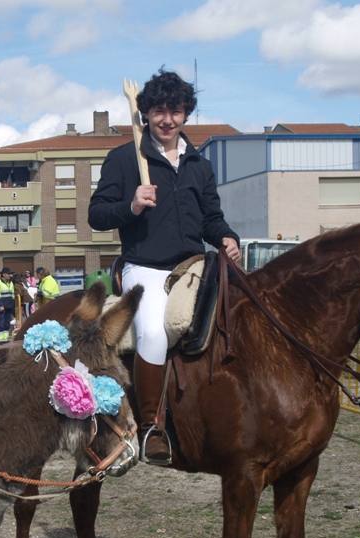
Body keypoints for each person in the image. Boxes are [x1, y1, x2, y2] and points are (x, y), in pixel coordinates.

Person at [89, 68, 240, 465]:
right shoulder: (124, 160)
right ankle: (151, 426)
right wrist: (131, 205)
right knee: (154, 334)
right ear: (146, 114)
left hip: (193, 264)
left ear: (186, 114)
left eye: (175, 111)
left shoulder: (198, 164)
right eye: (159, 111)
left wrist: (227, 237)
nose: (167, 119)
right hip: (145, 267)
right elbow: (97, 215)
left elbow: (211, 217)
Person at [0, 267, 16, 343]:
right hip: (1, 307)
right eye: (9, 274)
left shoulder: (10, 283)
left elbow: (12, 295)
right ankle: (0, 339)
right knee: (1, 322)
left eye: (10, 274)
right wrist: (0, 305)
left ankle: (5, 339)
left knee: (7, 323)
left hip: (9, 306)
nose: (10, 275)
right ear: (4, 274)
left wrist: (12, 305)